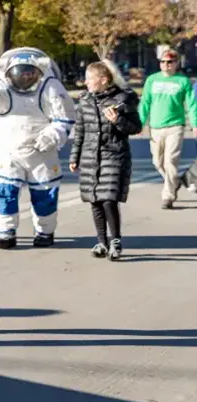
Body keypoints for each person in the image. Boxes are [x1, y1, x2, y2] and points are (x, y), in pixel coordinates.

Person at [0, 47, 76, 249]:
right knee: (4, 191)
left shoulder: (50, 86)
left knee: (45, 193)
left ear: (39, 71)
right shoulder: (3, 88)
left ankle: (45, 232)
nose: (25, 77)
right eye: (21, 72)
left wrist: (52, 135)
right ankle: (5, 233)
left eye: (30, 72)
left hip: (42, 151)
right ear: (10, 73)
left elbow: (65, 118)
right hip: (10, 152)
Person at [69, 61, 143, 260]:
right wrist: (74, 156)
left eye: (89, 79)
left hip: (115, 155)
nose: (85, 83)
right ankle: (102, 241)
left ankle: (115, 240)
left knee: (109, 199)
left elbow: (136, 128)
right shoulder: (85, 101)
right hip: (90, 156)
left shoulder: (122, 99)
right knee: (95, 200)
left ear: (103, 80)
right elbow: (80, 132)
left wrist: (117, 120)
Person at [137, 48, 197, 209]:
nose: (166, 65)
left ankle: (168, 195)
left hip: (175, 126)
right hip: (155, 127)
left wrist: (195, 123)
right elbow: (145, 103)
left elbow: (191, 105)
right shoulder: (152, 80)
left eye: (170, 62)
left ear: (176, 63)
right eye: (163, 62)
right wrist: (140, 122)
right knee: (157, 162)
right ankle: (175, 181)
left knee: (170, 160)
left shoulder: (182, 81)